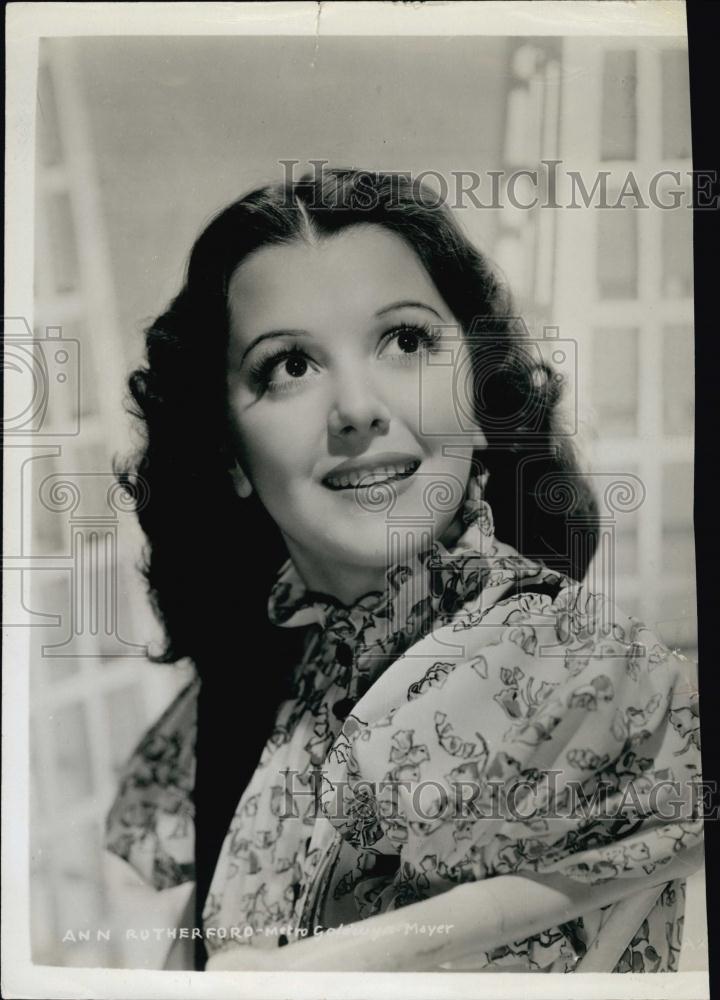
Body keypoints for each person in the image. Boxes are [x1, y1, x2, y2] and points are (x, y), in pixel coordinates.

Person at [105, 169, 702, 973]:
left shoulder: (586, 665)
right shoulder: (239, 698)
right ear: (229, 456)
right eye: (288, 366)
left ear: (481, 395)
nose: (357, 407)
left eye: (407, 340)